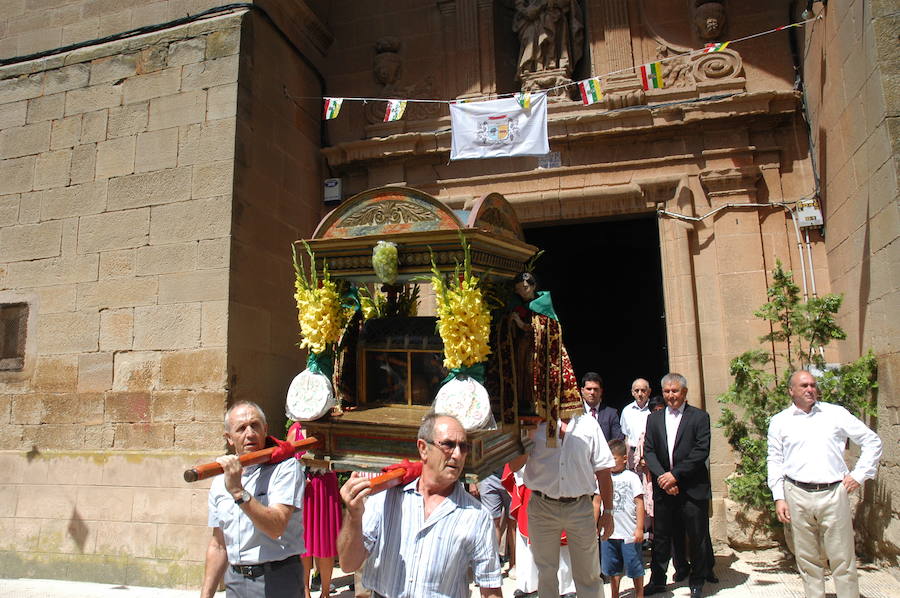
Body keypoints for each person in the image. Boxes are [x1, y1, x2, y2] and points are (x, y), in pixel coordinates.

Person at [337, 412, 502, 598]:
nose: (457, 455)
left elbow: (490, 588)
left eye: (463, 447)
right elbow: (348, 564)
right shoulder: (386, 496)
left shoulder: (476, 516)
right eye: (448, 445)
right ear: (423, 449)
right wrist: (354, 516)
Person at [767, 370, 883, 598]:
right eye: (804, 386)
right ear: (791, 391)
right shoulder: (780, 421)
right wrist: (778, 496)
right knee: (807, 558)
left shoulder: (835, 414)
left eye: (812, 385)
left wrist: (859, 475)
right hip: (796, 492)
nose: (810, 389)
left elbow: (872, 441)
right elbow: (775, 459)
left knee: (842, 557)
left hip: (833, 492)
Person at [201, 401, 307, 598]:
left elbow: (276, 527)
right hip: (236, 581)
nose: (249, 433)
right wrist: (206, 595)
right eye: (241, 428)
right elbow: (219, 544)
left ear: (265, 429)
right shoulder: (219, 481)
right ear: (229, 438)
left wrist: (238, 492)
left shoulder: (285, 468)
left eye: (255, 425)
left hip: (278, 579)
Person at [509, 409, 615, 598]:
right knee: (546, 574)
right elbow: (514, 465)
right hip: (542, 507)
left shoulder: (588, 424)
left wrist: (608, 512)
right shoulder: (535, 423)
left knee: (589, 574)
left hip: (580, 507)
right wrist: (527, 434)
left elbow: (603, 470)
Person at [643, 373, 711, 598]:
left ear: (684, 392)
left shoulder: (700, 417)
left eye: (675, 391)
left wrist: (675, 476)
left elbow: (701, 451)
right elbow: (649, 451)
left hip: (691, 487)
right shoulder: (654, 418)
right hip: (664, 488)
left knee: (696, 535)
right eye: (667, 391)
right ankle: (658, 580)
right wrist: (663, 477)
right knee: (661, 537)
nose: (671, 395)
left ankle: (697, 579)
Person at [287, 423, 341, 598]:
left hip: (325, 488)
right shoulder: (295, 430)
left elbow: (341, 458)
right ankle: (305, 590)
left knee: (325, 542)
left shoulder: (331, 427)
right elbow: (289, 460)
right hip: (304, 490)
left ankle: (325, 592)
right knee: (303, 542)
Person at [602, 439, 645, 598]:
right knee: (612, 568)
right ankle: (615, 594)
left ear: (624, 459)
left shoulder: (632, 477)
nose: (610, 462)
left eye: (613, 458)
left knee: (634, 566)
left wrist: (639, 528)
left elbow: (639, 503)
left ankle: (639, 593)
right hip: (609, 533)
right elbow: (597, 501)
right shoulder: (603, 477)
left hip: (628, 533)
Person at [582, 372, 624, 443]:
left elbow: (618, 441)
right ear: (582, 391)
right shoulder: (575, 413)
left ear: (601, 391)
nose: (592, 392)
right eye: (589, 389)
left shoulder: (611, 414)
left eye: (595, 389)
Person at [620, 378, 652, 470]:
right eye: (636, 390)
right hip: (632, 454)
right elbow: (626, 437)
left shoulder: (654, 409)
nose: (640, 394)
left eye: (643, 390)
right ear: (632, 392)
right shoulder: (626, 411)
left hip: (650, 453)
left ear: (649, 392)